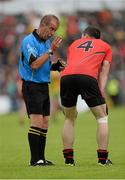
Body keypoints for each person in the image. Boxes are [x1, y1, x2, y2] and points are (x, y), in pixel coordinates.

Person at [60, 26, 113, 166]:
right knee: (102, 118)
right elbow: (104, 71)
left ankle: (69, 160)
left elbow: (72, 64)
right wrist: (101, 92)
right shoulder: (105, 46)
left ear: (84, 35)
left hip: (66, 77)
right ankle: (103, 160)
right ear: (98, 38)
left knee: (69, 118)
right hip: (87, 77)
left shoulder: (73, 44)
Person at [18, 14, 65, 166]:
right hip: (32, 86)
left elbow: (44, 64)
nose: (52, 33)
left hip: (44, 85)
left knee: (45, 123)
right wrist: (50, 51)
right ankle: (34, 160)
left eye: (55, 30)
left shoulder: (47, 42)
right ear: (42, 24)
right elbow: (34, 65)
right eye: (51, 29)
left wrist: (56, 66)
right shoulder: (28, 41)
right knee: (36, 122)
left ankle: (41, 158)